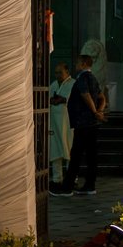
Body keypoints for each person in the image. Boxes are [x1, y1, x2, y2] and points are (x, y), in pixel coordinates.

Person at [59, 53, 107, 195]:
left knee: (76, 155)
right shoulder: (93, 78)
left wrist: (95, 111)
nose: (75, 65)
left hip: (83, 122)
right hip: (92, 123)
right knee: (91, 155)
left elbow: (85, 95)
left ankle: (67, 187)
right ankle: (90, 185)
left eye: (78, 62)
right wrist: (99, 111)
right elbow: (102, 97)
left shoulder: (82, 78)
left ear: (84, 64)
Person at [48, 61, 75, 190]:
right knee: (55, 150)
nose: (58, 75)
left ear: (67, 72)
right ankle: (57, 179)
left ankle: (71, 179)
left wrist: (63, 99)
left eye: (60, 72)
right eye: (56, 72)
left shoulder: (73, 84)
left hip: (67, 123)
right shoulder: (53, 85)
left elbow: (76, 100)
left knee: (69, 149)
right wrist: (52, 100)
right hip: (54, 123)